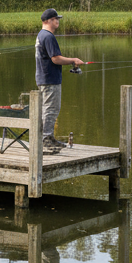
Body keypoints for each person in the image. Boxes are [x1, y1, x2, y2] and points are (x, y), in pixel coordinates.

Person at [35, 8, 85, 154]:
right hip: (50, 79)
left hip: (44, 78)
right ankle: (46, 140)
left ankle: (48, 138)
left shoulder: (41, 35)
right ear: (50, 20)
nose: (58, 21)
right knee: (51, 109)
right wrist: (73, 60)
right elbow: (55, 58)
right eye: (56, 19)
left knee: (48, 109)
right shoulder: (48, 36)